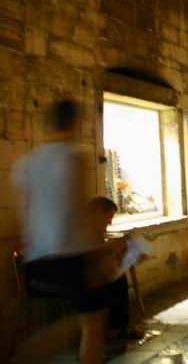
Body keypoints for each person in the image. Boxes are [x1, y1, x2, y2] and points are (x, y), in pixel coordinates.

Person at [12, 99, 107, 364]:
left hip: (37, 264)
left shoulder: (26, 163)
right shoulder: (74, 157)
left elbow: (25, 214)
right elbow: (75, 211)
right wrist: (93, 261)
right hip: (70, 257)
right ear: (75, 123)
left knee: (85, 321)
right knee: (91, 324)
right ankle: (27, 354)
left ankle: (29, 353)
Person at [88, 197, 145, 341]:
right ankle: (115, 329)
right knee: (116, 281)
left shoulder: (95, 232)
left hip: (91, 273)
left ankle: (117, 328)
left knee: (118, 278)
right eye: (109, 217)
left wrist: (127, 253)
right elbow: (90, 258)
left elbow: (103, 260)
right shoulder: (83, 232)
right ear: (98, 212)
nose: (110, 222)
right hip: (78, 276)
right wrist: (112, 250)